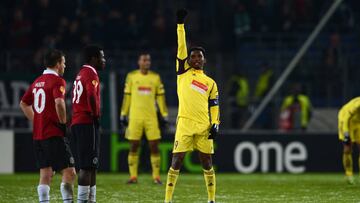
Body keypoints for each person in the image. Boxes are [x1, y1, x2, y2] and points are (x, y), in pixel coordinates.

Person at [164, 9, 220, 203]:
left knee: (207, 162)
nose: (195, 59)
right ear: (189, 60)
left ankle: (211, 199)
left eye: (199, 57)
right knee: (176, 161)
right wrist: (180, 25)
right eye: (193, 56)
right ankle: (168, 200)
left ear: (204, 60)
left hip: (204, 125)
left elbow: (214, 105)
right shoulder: (183, 73)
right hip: (185, 124)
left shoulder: (211, 83)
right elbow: (181, 47)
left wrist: (216, 123)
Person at [20, 49, 76, 203]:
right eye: (63, 62)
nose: (65, 65)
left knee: (45, 174)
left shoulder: (37, 81)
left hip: (38, 135)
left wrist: (37, 121)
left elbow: (23, 104)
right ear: (58, 64)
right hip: (53, 134)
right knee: (70, 172)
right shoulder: (58, 81)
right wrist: (63, 124)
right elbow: (59, 103)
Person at [120, 52, 168, 184]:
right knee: (134, 145)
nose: (147, 62)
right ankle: (133, 176)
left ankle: (156, 177)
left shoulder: (155, 78)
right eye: (144, 60)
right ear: (139, 62)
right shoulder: (131, 76)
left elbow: (160, 97)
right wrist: (123, 113)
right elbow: (127, 96)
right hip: (135, 117)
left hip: (151, 117)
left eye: (148, 60)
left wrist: (164, 115)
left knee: (154, 146)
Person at [71, 45, 106, 203]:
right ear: (93, 58)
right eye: (102, 57)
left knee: (91, 165)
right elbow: (91, 95)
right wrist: (96, 115)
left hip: (79, 121)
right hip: (87, 121)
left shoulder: (80, 73)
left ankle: (90, 201)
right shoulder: (91, 73)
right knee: (87, 165)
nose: (104, 60)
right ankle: (82, 201)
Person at [338, 97, 360, 184]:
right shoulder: (358, 105)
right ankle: (349, 174)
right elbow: (346, 118)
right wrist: (346, 133)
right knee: (348, 148)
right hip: (346, 120)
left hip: (358, 122)